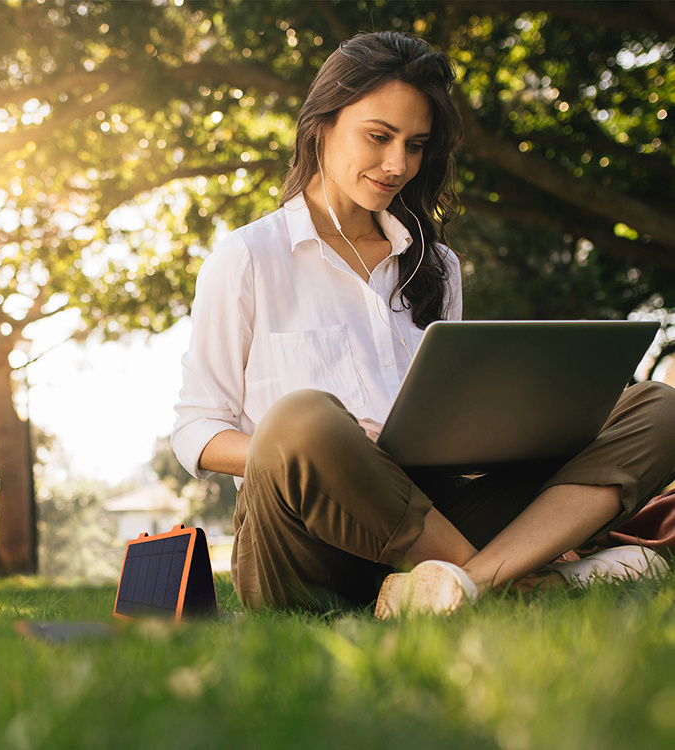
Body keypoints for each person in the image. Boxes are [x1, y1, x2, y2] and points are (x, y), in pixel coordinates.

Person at [171, 31, 675, 616]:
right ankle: (517, 584)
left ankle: (464, 586)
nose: (397, 165)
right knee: (303, 419)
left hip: (433, 515)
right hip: (307, 544)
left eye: (415, 145)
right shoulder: (248, 258)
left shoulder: (436, 267)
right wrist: (306, 448)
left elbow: (449, 417)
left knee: (658, 408)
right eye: (379, 137)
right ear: (322, 124)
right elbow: (195, 432)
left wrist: (501, 436)